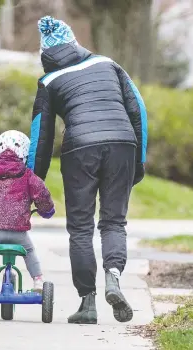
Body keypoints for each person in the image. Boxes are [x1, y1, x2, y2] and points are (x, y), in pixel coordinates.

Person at [27, 16, 148, 324]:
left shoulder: (49, 82)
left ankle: (88, 303)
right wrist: (139, 160)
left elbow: (42, 137)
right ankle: (113, 278)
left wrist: (31, 183)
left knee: (80, 227)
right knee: (114, 222)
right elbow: (138, 112)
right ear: (75, 44)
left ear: (46, 56)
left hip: (80, 148)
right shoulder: (109, 64)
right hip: (123, 143)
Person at [0, 130, 55, 293]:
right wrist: (46, 210)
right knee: (29, 252)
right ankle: (38, 281)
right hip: (18, 232)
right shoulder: (28, 176)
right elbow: (42, 192)